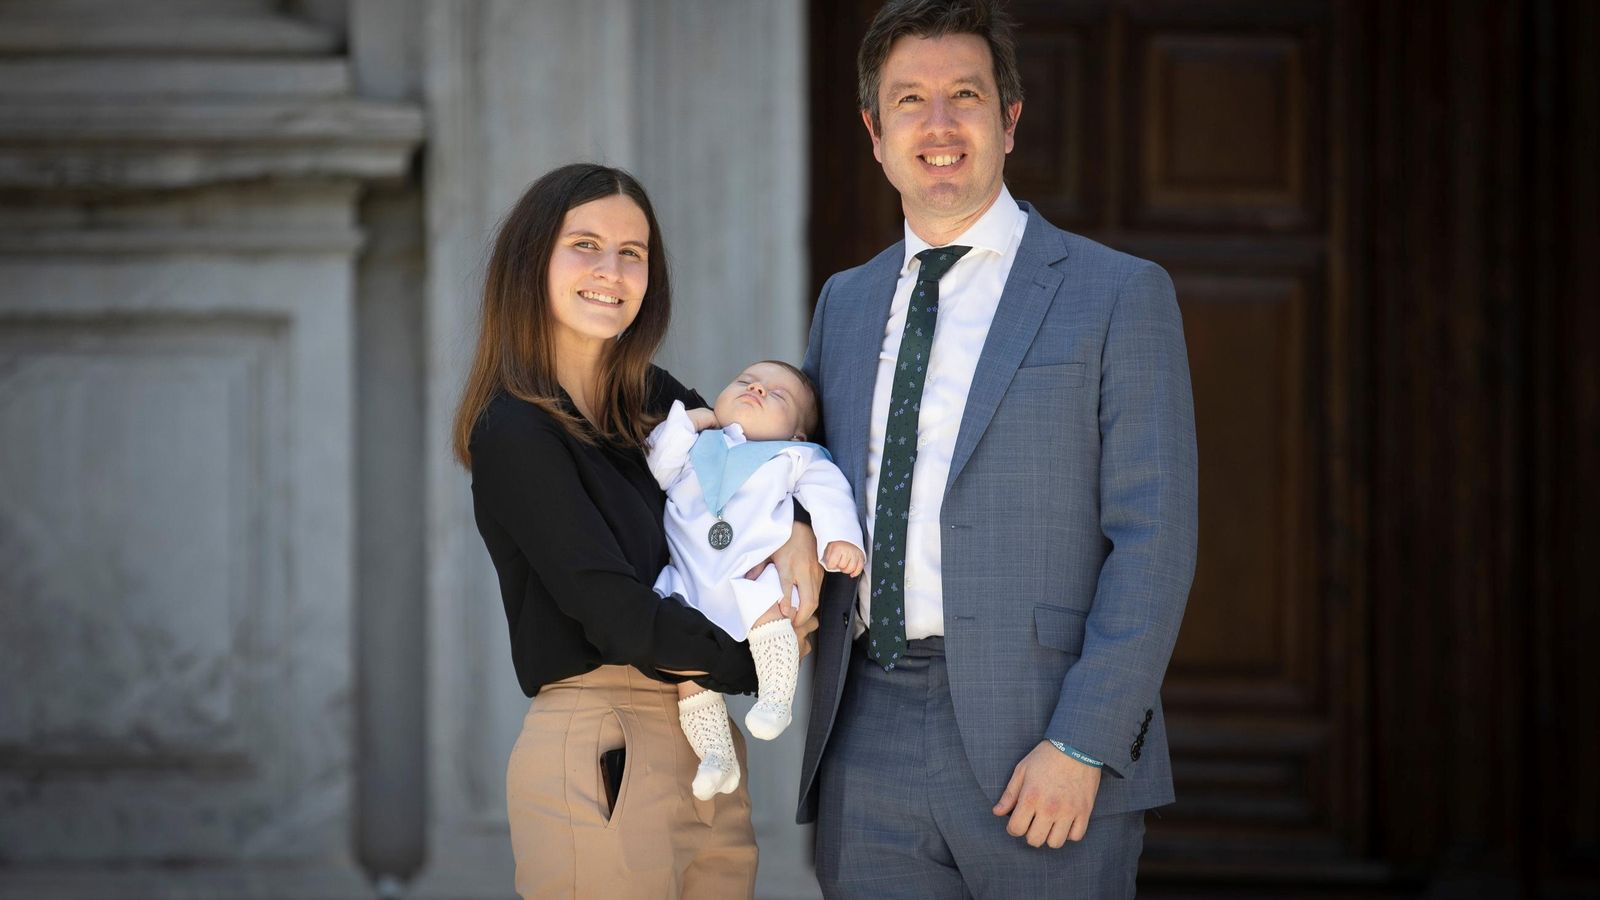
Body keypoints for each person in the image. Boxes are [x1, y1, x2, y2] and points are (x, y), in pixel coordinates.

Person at [796, 1, 1199, 897]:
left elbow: (1155, 536)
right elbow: (813, 487)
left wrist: (1084, 740)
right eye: (909, 101)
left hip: (1045, 741)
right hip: (865, 736)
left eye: (964, 95)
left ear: (1009, 120)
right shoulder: (846, 304)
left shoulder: (1117, 295)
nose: (938, 125)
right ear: (874, 131)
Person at [452, 163, 822, 899]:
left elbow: (766, 459)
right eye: (584, 245)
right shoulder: (514, 429)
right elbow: (612, 609)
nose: (611, 271)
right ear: (532, 263)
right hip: (606, 738)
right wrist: (754, 668)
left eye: (633, 252)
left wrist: (801, 531)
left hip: (706, 743)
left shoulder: (654, 400)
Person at [646, 361, 865, 801]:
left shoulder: (795, 456)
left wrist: (841, 538)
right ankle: (715, 755)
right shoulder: (696, 448)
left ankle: (775, 699)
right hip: (688, 575)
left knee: (769, 605)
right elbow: (656, 465)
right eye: (746, 382)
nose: (757, 390)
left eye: (776, 395)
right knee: (684, 669)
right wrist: (688, 421)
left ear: (798, 433)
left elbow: (831, 494)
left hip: (750, 567)